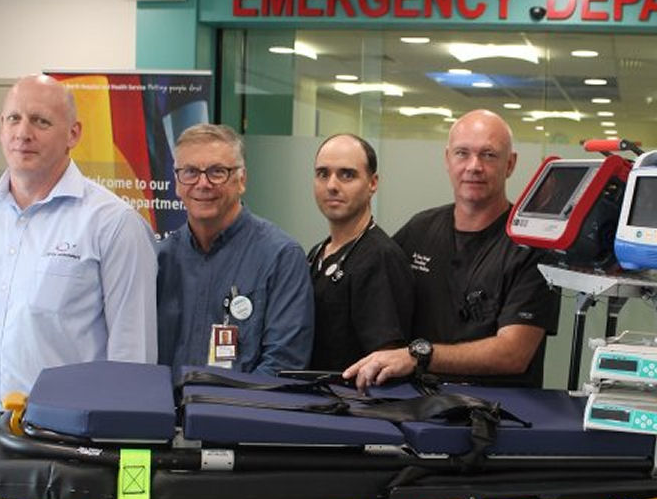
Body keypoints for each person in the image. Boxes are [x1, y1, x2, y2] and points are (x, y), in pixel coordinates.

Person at [0, 74, 158, 499]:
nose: (24, 133)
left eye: (41, 121)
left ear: (74, 134)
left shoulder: (113, 224)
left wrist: (123, 472)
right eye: (14, 119)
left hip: (65, 446)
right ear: (0, 128)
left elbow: (132, 359)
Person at [344, 109, 560, 390]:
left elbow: (514, 353)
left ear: (510, 164)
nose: (474, 166)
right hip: (417, 407)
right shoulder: (420, 230)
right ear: (447, 159)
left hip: (498, 416)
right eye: (462, 153)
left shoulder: (532, 247)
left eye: (488, 154)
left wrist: (417, 356)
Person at [157, 124, 313, 374]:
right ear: (176, 182)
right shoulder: (159, 259)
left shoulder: (281, 257)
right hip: (164, 410)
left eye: (218, 172)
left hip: (239, 411)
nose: (203, 183)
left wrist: (217, 409)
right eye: (190, 172)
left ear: (242, 180)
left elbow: (283, 365)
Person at [308, 134, 413, 371]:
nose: (332, 185)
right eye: (323, 174)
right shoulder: (317, 253)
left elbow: (385, 361)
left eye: (347, 175)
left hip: (353, 402)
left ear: (372, 183)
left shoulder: (380, 258)